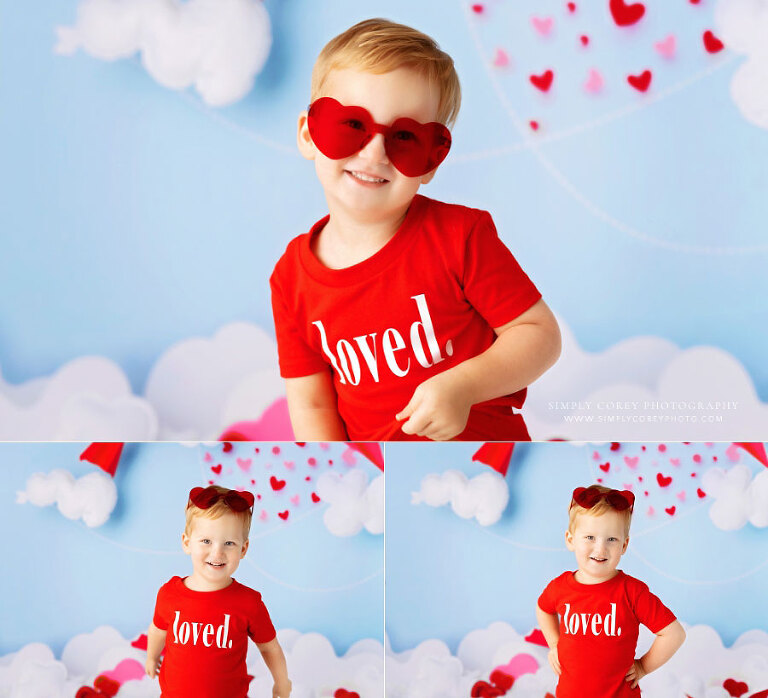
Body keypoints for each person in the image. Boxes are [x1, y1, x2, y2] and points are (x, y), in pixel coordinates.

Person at [270, 18, 561, 442]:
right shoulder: (290, 279)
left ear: (433, 160)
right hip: (381, 478)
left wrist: (465, 385)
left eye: (405, 137)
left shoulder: (460, 236)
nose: (374, 153)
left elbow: (540, 336)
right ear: (308, 134)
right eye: (351, 125)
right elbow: (312, 402)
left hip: (482, 457)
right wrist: (338, 468)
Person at [536, 485, 686, 697]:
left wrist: (643, 666)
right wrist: (554, 644)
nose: (600, 549)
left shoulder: (632, 592)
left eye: (611, 539)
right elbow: (543, 609)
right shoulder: (561, 587)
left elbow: (674, 633)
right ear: (571, 540)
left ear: (624, 546)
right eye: (590, 537)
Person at [145, 486, 292, 697]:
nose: (217, 552)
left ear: (243, 549)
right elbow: (157, 630)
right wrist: (152, 657)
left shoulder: (249, 602)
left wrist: (282, 682)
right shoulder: (169, 594)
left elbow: (270, 648)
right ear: (187, 543)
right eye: (206, 541)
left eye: (229, 543)